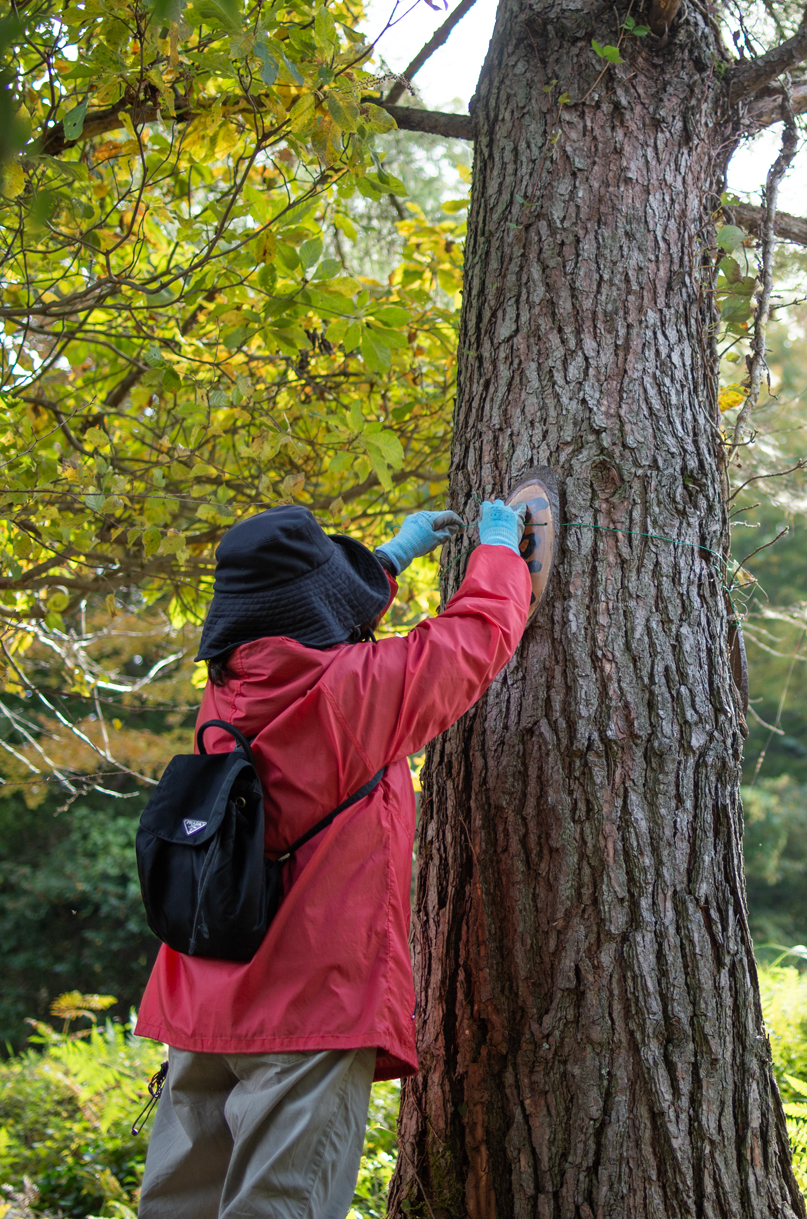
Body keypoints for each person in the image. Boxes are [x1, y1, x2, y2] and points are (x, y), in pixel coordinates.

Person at [136, 499, 531, 1218]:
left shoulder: (225, 693)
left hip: (203, 996)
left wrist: (388, 560)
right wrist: (501, 554)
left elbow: (307, 635)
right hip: (309, 1004)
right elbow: (472, 639)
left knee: (177, 1206)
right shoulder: (356, 691)